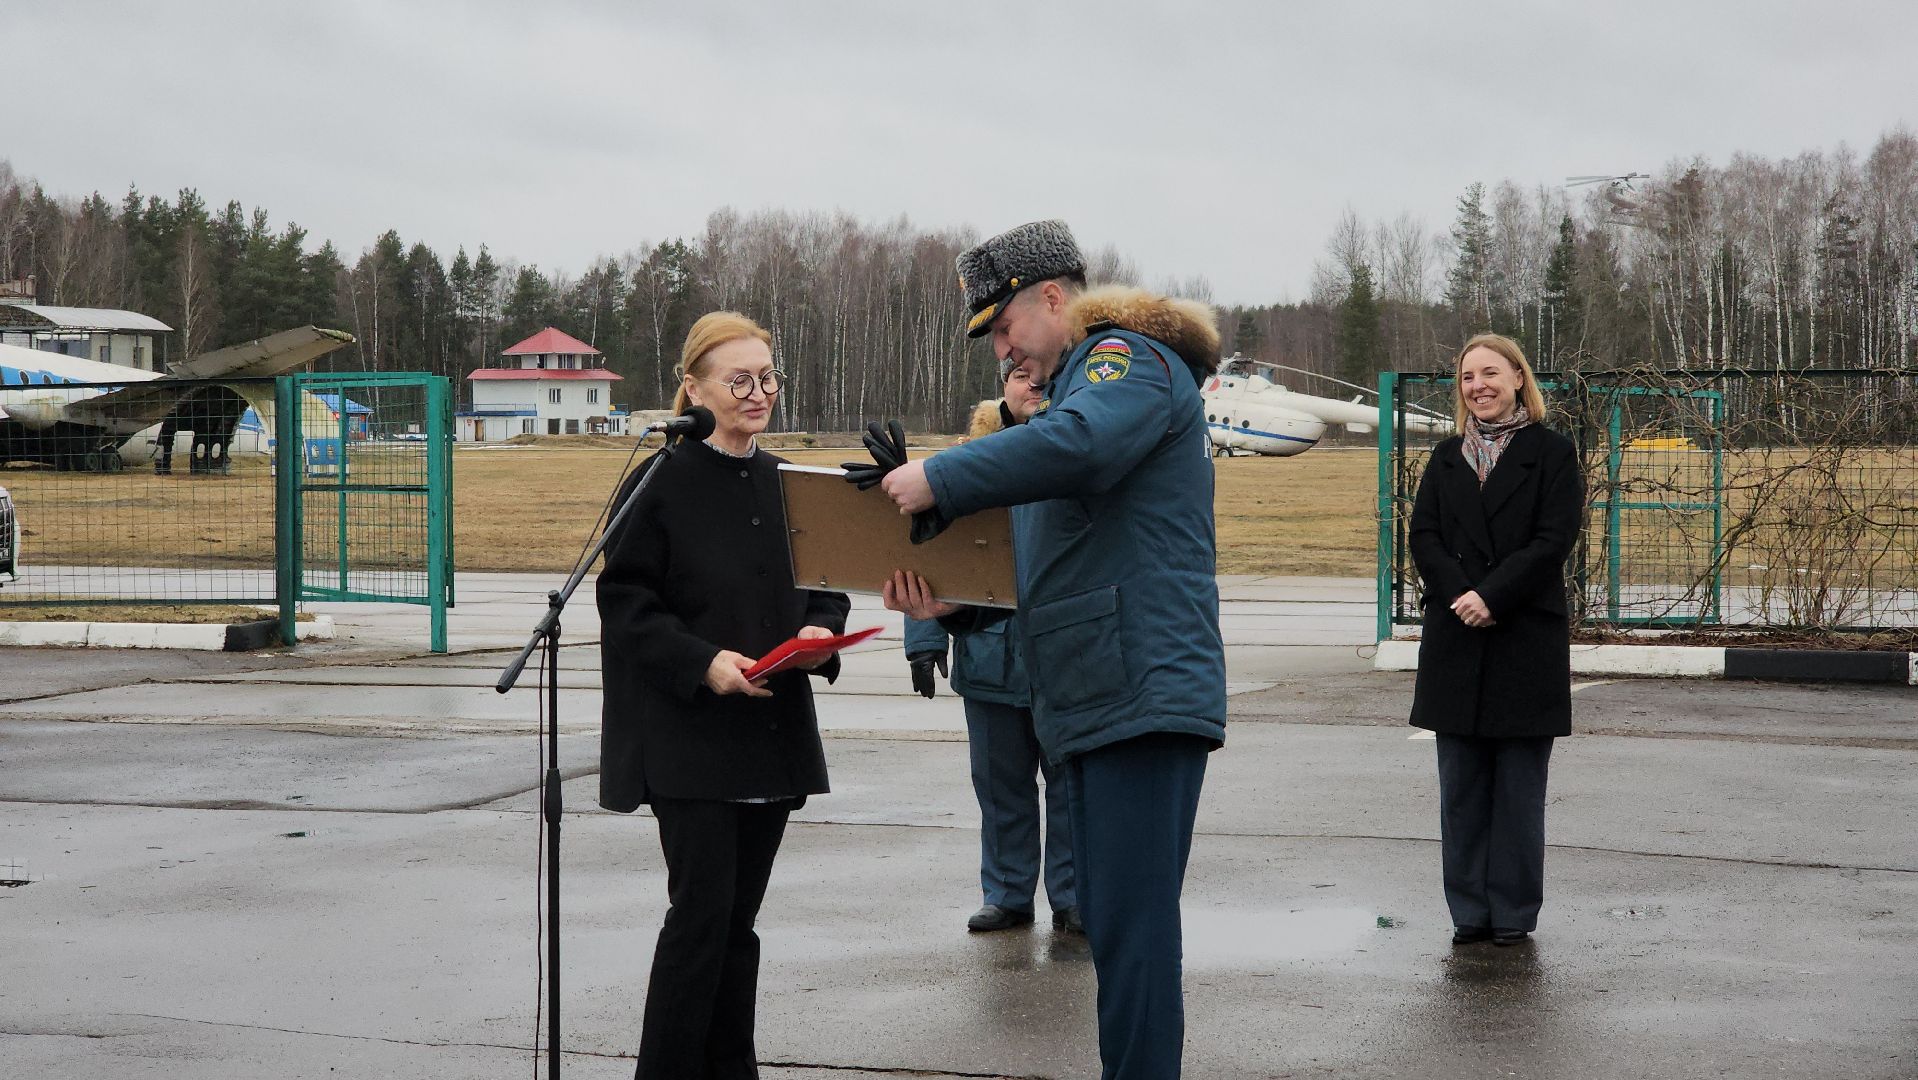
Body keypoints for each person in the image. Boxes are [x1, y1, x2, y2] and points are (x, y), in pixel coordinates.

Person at [879, 219, 1225, 1079]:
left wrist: (942, 476)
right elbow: (1052, 566)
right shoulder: (1069, 398)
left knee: (1134, 932)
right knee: (1111, 924)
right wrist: (957, 608)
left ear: (1051, 298)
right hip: (1096, 693)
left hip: (1140, 693)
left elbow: (1083, 448)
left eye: (1005, 327)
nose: (1003, 351)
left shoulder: (1122, 359)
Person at [596, 311, 851, 1079]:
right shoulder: (659, 481)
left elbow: (827, 583)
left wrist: (820, 633)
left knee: (739, 925)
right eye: (739, 380)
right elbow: (625, 602)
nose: (758, 393)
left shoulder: (789, 482)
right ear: (694, 388)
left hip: (770, 740)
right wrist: (703, 662)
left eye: (768, 378)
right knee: (700, 922)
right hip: (689, 740)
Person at [1406, 332, 1583, 948]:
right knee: (1461, 790)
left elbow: (1553, 539)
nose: (1477, 386)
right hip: (1455, 637)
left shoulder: (1552, 453)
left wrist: (1492, 596)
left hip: (1522, 637)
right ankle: (1469, 911)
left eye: (1489, 373)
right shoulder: (1445, 457)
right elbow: (1424, 535)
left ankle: (1511, 912)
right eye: (1467, 377)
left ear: (1517, 378)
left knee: (1517, 791)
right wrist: (1461, 594)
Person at [902, 361, 1078, 934]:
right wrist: (923, 640)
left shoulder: (1078, 458)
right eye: (1020, 375)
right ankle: (1006, 893)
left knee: (1071, 789)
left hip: (1064, 659)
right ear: (1003, 384)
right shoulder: (965, 464)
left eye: (1042, 375)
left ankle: (1074, 897)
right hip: (988, 658)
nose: (1033, 385)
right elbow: (930, 556)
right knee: (1001, 789)